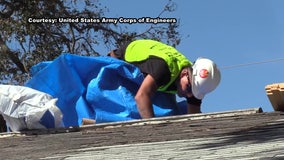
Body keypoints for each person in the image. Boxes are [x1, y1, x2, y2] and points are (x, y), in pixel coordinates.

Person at [108, 39, 221, 118]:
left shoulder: (193, 84)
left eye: (194, 93)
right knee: (132, 108)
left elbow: (194, 114)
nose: (189, 95)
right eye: (188, 89)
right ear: (184, 73)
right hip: (122, 60)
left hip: (156, 75)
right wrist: (154, 130)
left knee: (169, 110)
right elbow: (141, 97)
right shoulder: (163, 68)